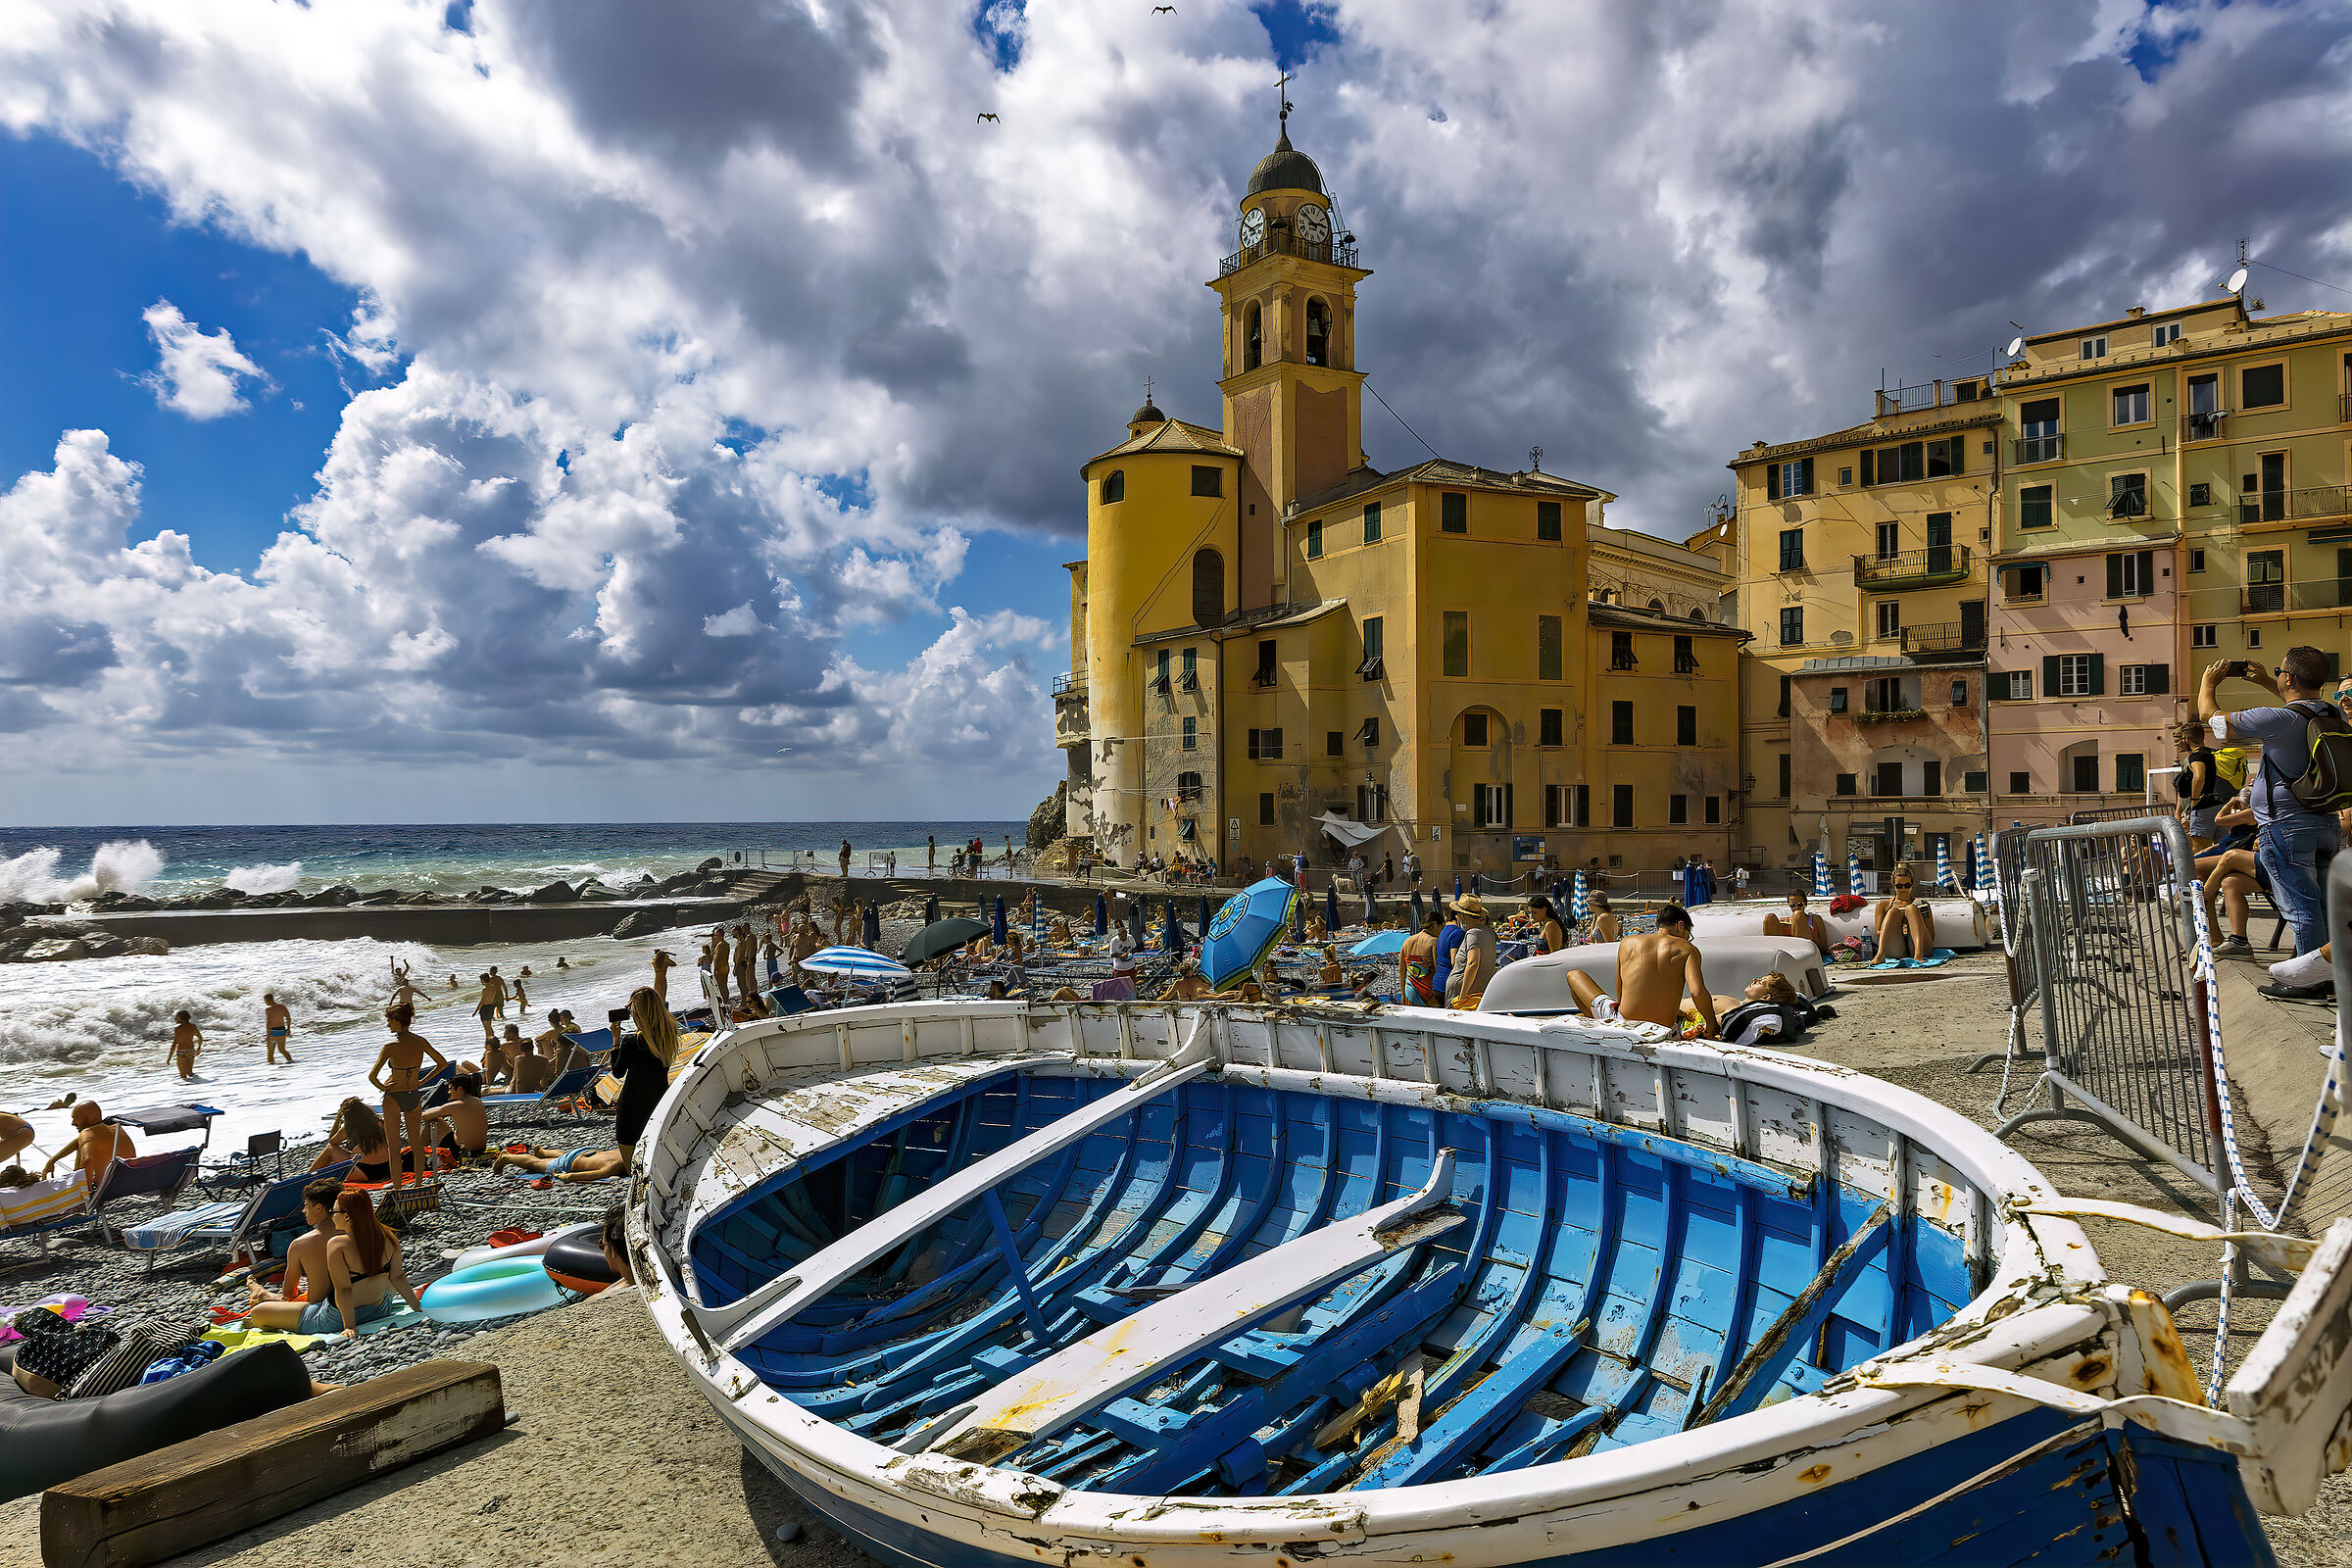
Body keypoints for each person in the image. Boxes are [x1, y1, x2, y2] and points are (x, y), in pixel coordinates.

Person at [2194, 648, 2347, 956]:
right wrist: (2267, 680)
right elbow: (2302, 709)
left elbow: (2211, 719)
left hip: (2287, 826)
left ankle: (2309, 980)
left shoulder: (2275, 718)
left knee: (2300, 906)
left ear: (2288, 677)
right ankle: (2327, 973)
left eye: (2281, 673)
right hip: (2325, 822)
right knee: (2321, 904)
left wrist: (2208, 683)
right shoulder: (2334, 714)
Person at [247, 1190, 423, 1339]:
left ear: (347, 1216)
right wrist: (416, 1308)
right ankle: (265, 1295)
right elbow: (398, 1277)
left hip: (336, 1317)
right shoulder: (387, 1236)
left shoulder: (338, 1244)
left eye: (334, 1212)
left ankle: (264, 1297)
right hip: (379, 1308)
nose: (331, 1216)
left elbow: (344, 1289)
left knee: (258, 1313)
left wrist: (350, 1327)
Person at [1570, 904, 1720, 1036]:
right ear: (1680, 926)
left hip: (1624, 1023)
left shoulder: (1628, 942)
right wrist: (1712, 1024)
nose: (1687, 939)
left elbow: (1621, 995)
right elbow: (1697, 992)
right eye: (1688, 934)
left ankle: (1597, 1027)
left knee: (1573, 975)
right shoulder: (1687, 949)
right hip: (1665, 1029)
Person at [367, 1003, 449, 1190]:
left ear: (397, 1021)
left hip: (394, 1096)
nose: (387, 1025)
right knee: (416, 1143)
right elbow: (442, 1064)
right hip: (413, 1095)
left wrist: (383, 1087)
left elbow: (372, 1076)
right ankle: (418, 1185)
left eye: (389, 1021)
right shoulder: (420, 1041)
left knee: (394, 1147)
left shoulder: (389, 1047)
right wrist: (421, 1082)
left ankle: (398, 1188)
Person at [245, 1177, 347, 1322]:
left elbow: (288, 1293)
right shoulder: (354, 1232)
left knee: (258, 1312)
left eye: (306, 1206)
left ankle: (261, 1294)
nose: (304, 1211)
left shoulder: (300, 1244)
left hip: (321, 1310)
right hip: (360, 1300)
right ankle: (260, 1293)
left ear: (319, 1208)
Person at [39, 1102, 132, 1186]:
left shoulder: (87, 1133)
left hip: (105, 1187)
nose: (73, 1123)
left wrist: (84, 1189)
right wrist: (53, 1160)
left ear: (92, 1117)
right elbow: (80, 1141)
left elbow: (87, 1160)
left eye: (76, 1118)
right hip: (128, 1179)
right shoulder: (116, 1129)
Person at [314, 1099, 396, 1184]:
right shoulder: (380, 1123)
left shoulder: (349, 1128)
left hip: (364, 1172)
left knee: (330, 1149)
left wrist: (338, 1119)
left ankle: (309, 1175)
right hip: (388, 1167)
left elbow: (332, 1141)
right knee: (354, 1154)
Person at [1871, 864, 1936, 961]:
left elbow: (1931, 934)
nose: (1903, 889)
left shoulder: (1922, 905)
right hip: (1896, 945)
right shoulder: (1883, 905)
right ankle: (1880, 954)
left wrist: (1913, 925)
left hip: (1920, 945)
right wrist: (1898, 925)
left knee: (1911, 909)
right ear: (1893, 886)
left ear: (1912, 884)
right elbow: (1878, 933)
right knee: (1893, 912)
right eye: (1899, 886)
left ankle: (1918, 954)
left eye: (1907, 885)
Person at [422, 1071, 490, 1159]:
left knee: (432, 1121)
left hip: (462, 1151)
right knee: (437, 1118)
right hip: (480, 1149)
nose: (448, 1092)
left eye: (450, 1089)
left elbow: (424, 1116)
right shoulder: (477, 1101)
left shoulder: (456, 1105)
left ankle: (417, 1151)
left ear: (460, 1089)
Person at [1445, 896, 1497, 1006]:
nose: (1457, 918)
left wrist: (1462, 995)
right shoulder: (1489, 932)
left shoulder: (1472, 933)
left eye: (1458, 915)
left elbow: (1473, 963)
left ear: (1463, 917)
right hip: (1480, 991)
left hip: (1464, 992)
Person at [2177, 726, 2223, 850]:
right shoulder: (2213, 753)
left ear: (2186, 739)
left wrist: (2194, 799)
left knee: (2198, 850)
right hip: (2221, 805)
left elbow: (2199, 776)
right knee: (2221, 849)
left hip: (2204, 808)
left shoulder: (2196, 756)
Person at [1763, 890, 1832, 957]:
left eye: (1799, 905)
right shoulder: (1783, 920)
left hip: (1807, 952)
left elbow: (1824, 948)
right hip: (1786, 951)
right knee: (1769, 917)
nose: (1796, 908)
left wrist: (1813, 935)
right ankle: (1772, 955)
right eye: (1792, 906)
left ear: (1805, 903)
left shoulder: (1815, 919)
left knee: (1798, 915)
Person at [1400, 911, 1443, 1005]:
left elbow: (1401, 970)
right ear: (1435, 924)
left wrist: (1403, 994)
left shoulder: (1407, 942)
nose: (1440, 933)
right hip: (1428, 992)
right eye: (1441, 928)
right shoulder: (1433, 942)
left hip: (1410, 991)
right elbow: (1437, 969)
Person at [1432, 904, 1465, 1001]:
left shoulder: (1443, 931)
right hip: (1448, 983)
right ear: (1457, 917)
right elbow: (1454, 960)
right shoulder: (1458, 933)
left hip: (1437, 982)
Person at [1103, 919, 1138, 1001]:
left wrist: (1130, 952)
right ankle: (1120, 1000)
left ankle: (1132, 999)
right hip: (1119, 967)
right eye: (1121, 938)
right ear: (1118, 936)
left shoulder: (1130, 938)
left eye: (1125, 938)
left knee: (1131, 985)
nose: (1123, 940)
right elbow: (1112, 954)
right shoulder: (1114, 941)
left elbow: (1135, 948)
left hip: (1130, 966)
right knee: (1120, 986)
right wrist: (1120, 955)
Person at [165, 1009, 203, 1080]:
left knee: (183, 1075)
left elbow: (175, 1043)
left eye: (176, 1017)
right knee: (190, 1073)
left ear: (182, 1018)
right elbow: (200, 1037)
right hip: (191, 1051)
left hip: (181, 1051)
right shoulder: (193, 1026)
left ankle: (185, 1089)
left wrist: (169, 1057)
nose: (175, 1018)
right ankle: (196, 1085)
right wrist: (199, 1048)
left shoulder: (178, 1029)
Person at [473, 972, 500, 1045]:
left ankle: (489, 1043)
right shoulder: (493, 987)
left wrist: (476, 1011)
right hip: (491, 1006)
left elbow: (482, 1001)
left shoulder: (485, 990)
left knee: (486, 1028)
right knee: (490, 1027)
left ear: (483, 980)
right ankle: (493, 1041)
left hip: (485, 1008)